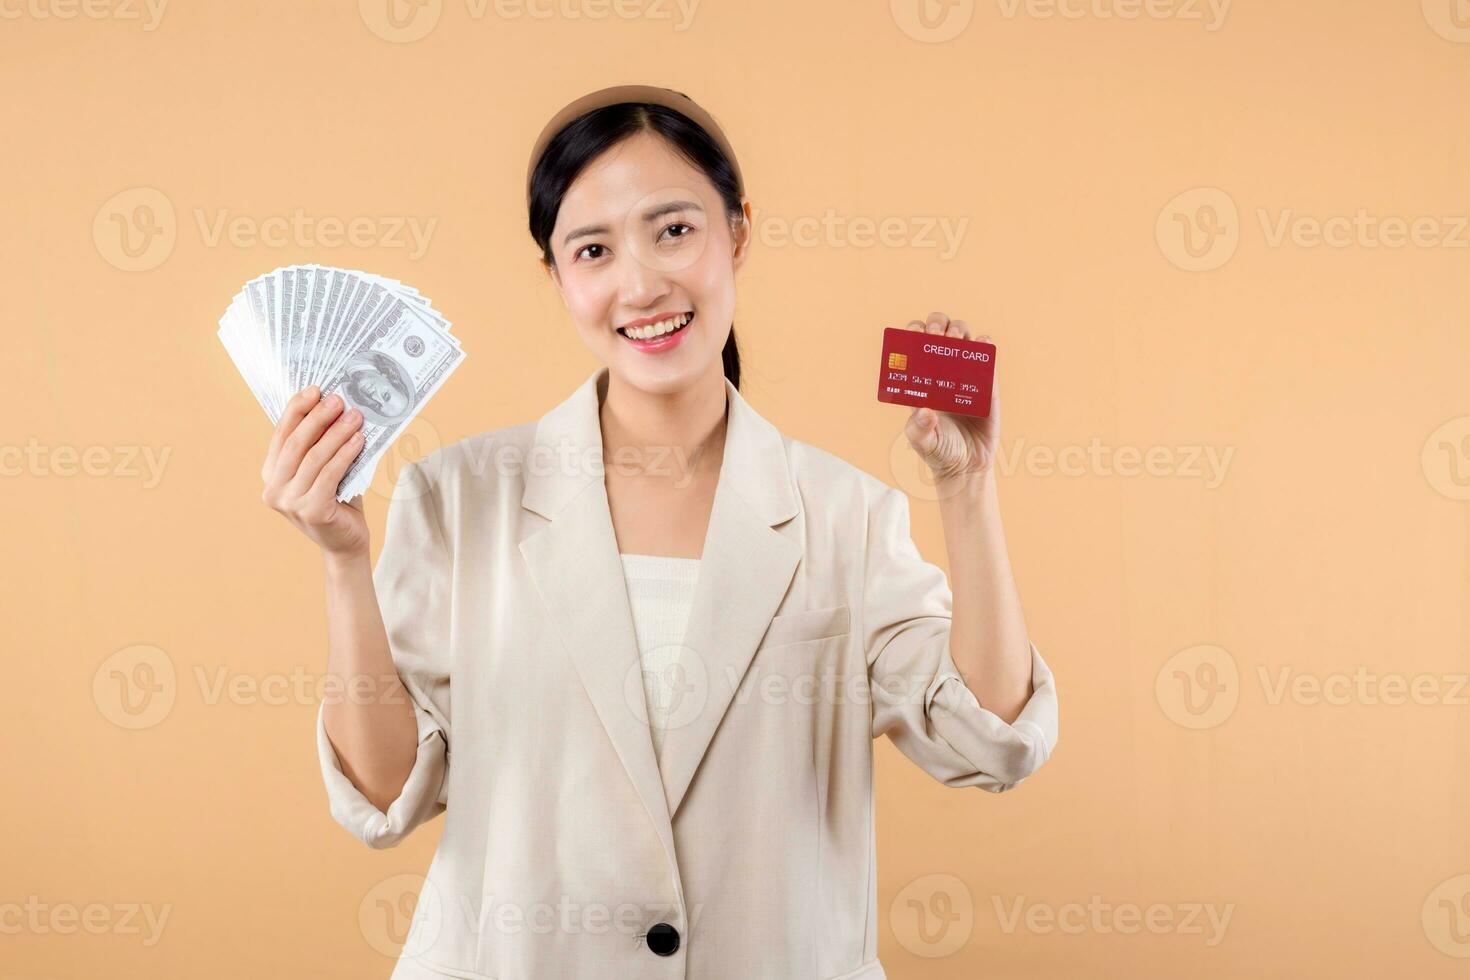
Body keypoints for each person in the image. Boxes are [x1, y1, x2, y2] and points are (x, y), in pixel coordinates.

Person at [260, 84, 1059, 980]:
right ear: (556, 277)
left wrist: (966, 486)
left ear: (738, 234)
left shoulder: (847, 516)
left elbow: (993, 741)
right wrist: (343, 560)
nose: (641, 283)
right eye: (593, 249)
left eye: (674, 230)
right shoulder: (459, 497)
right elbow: (383, 797)